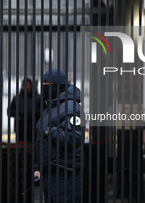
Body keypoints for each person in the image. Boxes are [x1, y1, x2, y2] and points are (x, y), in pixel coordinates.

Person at [34, 69, 84, 203]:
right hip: (50, 172)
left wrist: (50, 131)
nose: (43, 86)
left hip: (65, 174)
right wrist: (38, 167)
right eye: (43, 83)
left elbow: (75, 137)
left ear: (58, 85)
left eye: (47, 83)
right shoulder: (51, 107)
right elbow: (43, 142)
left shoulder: (71, 107)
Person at [8, 78, 42, 142]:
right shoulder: (17, 98)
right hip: (20, 129)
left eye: (29, 85)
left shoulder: (38, 98)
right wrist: (19, 113)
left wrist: (34, 112)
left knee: (34, 148)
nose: (27, 87)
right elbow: (9, 112)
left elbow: (44, 111)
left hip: (34, 128)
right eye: (25, 85)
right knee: (21, 148)